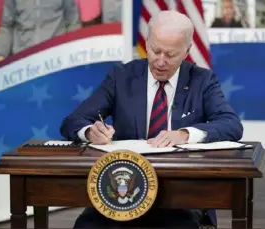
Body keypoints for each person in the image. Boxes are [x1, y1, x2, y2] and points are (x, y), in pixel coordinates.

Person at [60, 10, 243, 229]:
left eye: (171, 54)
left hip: (180, 195)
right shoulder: (121, 77)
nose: (161, 61)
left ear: (187, 51)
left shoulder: (202, 81)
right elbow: (73, 121)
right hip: (124, 188)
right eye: (156, 51)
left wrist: (185, 134)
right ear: (147, 43)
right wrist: (90, 132)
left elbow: (231, 124)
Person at [0, 0, 81, 66]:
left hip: (55, 60)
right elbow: (7, 26)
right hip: (22, 62)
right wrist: (0, 55)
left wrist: (74, 51)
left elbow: (73, 22)